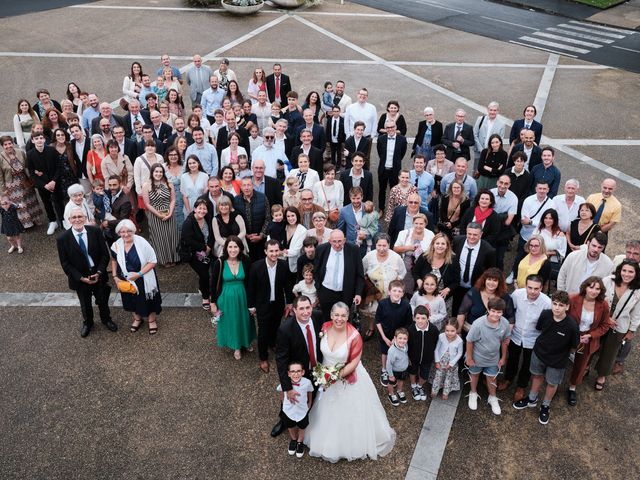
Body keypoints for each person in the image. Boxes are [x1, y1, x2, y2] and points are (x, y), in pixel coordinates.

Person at [304, 302, 396, 462]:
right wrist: (325, 376)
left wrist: (334, 376)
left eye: (343, 316)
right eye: (336, 315)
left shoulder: (354, 336)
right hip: (326, 376)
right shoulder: (324, 327)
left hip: (347, 378)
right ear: (331, 315)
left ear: (348, 317)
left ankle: (350, 443)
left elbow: (354, 363)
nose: (339, 319)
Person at [513, 290, 579, 425]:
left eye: (561, 305)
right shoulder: (545, 314)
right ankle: (532, 399)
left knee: (552, 383)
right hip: (539, 353)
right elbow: (540, 329)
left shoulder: (572, 325)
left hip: (557, 361)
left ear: (567, 306)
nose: (557, 307)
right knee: (536, 376)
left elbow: (574, 346)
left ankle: (545, 405)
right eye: (554, 304)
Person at [57, 207, 116, 338]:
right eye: (74, 217)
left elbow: (105, 255)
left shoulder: (95, 231)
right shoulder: (62, 239)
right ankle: (88, 323)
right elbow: (65, 263)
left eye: (80, 216)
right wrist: (81, 278)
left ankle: (106, 319)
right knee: (85, 304)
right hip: (80, 278)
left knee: (102, 300)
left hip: (98, 275)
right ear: (69, 220)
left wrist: (100, 272)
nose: (77, 219)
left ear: (84, 218)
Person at [272, 295, 322, 438]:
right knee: (291, 400)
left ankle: (306, 421)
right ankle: (284, 420)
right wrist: (287, 387)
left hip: (317, 368)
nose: (306, 312)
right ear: (294, 310)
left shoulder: (318, 317)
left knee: (313, 396)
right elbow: (281, 360)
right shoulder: (285, 329)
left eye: (308, 307)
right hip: (298, 372)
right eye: (301, 309)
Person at [499, 275, 551, 401]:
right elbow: (511, 311)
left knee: (527, 363)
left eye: (536, 288)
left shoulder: (547, 303)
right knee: (513, 358)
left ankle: (521, 386)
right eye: (530, 287)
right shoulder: (517, 294)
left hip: (533, 338)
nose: (532, 291)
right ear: (525, 286)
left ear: (542, 288)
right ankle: (508, 379)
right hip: (515, 334)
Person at [247, 239, 293, 373]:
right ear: (265, 251)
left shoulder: (284, 265)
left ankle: (272, 344)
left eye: (276, 251)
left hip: (278, 304)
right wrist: (251, 305)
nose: (274, 253)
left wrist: (289, 302)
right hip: (262, 305)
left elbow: (288, 286)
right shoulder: (256, 266)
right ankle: (263, 357)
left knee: (275, 326)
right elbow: (251, 288)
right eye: (271, 251)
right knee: (263, 332)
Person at [111, 219, 162, 334]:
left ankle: (151, 320)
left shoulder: (142, 242)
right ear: (118, 233)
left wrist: (138, 274)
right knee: (130, 300)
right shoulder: (116, 245)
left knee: (149, 300)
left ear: (134, 231)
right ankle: (137, 319)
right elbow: (113, 259)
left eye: (129, 231)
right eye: (122, 232)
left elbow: (153, 261)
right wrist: (115, 276)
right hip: (125, 279)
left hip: (143, 278)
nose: (126, 234)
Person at [595, 260, 640, 390]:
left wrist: (631, 331)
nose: (626, 274)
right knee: (593, 345)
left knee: (610, 352)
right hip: (600, 320)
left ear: (636, 273)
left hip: (619, 326)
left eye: (631, 271)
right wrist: (606, 318)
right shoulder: (608, 280)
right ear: (620, 270)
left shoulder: (637, 291)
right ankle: (585, 367)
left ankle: (601, 375)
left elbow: (637, 313)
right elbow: (596, 299)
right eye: (624, 270)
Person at [566, 277, 611, 405]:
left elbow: (605, 325)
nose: (594, 291)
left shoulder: (603, 305)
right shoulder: (573, 299)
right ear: (585, 287)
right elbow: (563, 317)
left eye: (598, 289)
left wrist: (591, 335)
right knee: (560, 358)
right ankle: (553, 383)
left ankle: (572, 387)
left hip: (585, 339)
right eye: (591, 287)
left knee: (580, 364)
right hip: (570, 336)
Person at [210, 236, 255, 360]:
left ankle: (246, 342)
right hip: (226, 298)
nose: (233, 250)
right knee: (232, 321)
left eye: (236, 247)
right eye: (230, 247)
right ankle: (236, 346)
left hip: (243, 296)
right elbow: (213, 284)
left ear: (240, 248)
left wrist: (253, 301)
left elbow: (251, 281)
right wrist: (213, 302)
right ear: (226, 248)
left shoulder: (246, 260)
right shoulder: (219, 262)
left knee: (245, 320)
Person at [466, 298, 511, 415]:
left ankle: (492, 397)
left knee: (492, 378)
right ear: (488, 309)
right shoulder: (478, 324)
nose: (496, 315)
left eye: (499, 312)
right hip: (477, 358)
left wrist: (503, 358)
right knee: (474, 375)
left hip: (493, 358)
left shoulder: (505, 323)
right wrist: (469, 358)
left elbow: (505, 341)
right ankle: (473, 393)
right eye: (493, 311)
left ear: (503, 312)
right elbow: (469, 341)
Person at [507, 180, 553, 285]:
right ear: (536, 189)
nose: (542, 191)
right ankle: (514, 273)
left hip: (541, 238)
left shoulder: (551, 203)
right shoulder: (528, 200)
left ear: (548, 190)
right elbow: (524, 220)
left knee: (536, 259)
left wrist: (532, 221)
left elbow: (548, 222)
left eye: (544, 189)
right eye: (540, 188)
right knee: (520, 256)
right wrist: (539, 222)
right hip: (526, 236)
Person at [314, 229, 364, 322]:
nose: (337, 245)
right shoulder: (321, 249)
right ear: (329, 241)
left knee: (343, 320)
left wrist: (358, 293)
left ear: (344, 240)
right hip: (326, 292)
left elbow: (360, 274)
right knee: (327, 319)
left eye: (340, 241)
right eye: (334, 241)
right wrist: (318, 288)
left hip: (345, 293)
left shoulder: (353, 250)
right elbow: (316, 270)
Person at [451, 222, 496, 315]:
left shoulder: (489, 250)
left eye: (475, 235)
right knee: (456, 308)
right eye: (469, 234)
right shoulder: (457, 241)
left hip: (475, 286)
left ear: (481, 234)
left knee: (472, 310)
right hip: (458, 284)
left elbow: (490, 270)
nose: (471, 237)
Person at [375, 280, 413, 387]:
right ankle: (384, 370)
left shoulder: (406, 306)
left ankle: (395, 371)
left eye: (399, 291)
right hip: (385, 334)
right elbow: (378, 320)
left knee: (397, 353)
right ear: (389, 291)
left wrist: (396, 339)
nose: (397, 293)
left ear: (403, 293)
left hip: (399, 337)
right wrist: (384, 337)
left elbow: (408, 323)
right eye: (394, 290)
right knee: (385, 352)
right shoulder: (382, 303)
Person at [142, 163, 180, 267]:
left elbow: (173, 200)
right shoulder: (146, 185)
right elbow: (147, 204)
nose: (158, 174)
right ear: (152, 173)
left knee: (172, 236)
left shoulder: (169, 184)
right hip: (155, 215)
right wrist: (158, 214)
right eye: (156, 171)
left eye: (160, 172)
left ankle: (174, 258)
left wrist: (170, 213)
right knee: (160, 237)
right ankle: (164, 260)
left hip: (169, 213)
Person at [0, 136, 42, 228]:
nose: (8, 146)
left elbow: (28, 165)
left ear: (13, 143)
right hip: (12, 184)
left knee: (31, 200)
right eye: (5, 144)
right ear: (2, 146)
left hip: (24, 180)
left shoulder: (20, 152)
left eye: (9, 143)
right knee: (20, 204)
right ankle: (25, 224)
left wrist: (34, 173)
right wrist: (3, 190)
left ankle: (35, 219)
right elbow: (0, 176)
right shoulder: (1, 157)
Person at [457, 267, 514, 333]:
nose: (491, 283)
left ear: (499, 283)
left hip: (494, 334)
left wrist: (505, 337)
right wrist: (458, 332)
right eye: (489, 279)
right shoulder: (473, 292)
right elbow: (461, 313)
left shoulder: (505, 297)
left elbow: (511, 318)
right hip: (472, 331)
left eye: (495, 280)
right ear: (484, 280)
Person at [27, 132, 62, 234]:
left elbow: (58, 167)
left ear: (44, 140)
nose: (39, 140)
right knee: (47, 203)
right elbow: (32, 173)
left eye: (41, 138)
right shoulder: (30, 155)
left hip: (55, 182)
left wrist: (54, 181)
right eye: (36, 138)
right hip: (43, 185)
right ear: (33, 141)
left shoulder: (52, 150)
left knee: (59, 201)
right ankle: (52, 221)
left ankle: (63, 220)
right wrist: (44, 185)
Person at [181, 199, 213, 310]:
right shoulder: (189, 222)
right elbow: (188, 240)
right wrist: (204, 247)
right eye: (200, 208)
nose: (202, 210)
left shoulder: (208, 219)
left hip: (207, 252)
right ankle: (205, 297)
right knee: (204, 274)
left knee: (204, 272)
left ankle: (202, 287)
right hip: (193, 253)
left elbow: (212, 234)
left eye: (204, 208)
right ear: (195, 209)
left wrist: (209, 246)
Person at [277, 361, 314, 459]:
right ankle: (293, 439)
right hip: (288, 410)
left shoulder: (307, 382)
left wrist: (310, 402)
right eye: (293, 371)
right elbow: (281, 391)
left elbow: (310, 391)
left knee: (302, 426)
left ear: (302, 372)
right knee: (290, 425)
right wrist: (283, 401)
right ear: (288, 373)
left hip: (302, 410)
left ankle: (300, 441)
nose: (296, 374)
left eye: (298, 371)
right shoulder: (285, 383)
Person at [394, 213, 433, 293]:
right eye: (416, 223)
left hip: (424, 268)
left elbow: (434, 250)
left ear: (425, 224)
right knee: (406, 290)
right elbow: (395, 249)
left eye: (421, 224)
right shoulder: (404, 233)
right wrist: (409, 248)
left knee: (421, 290)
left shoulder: (430, 235)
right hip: (407, 268)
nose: (418, 226)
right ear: (413, 223)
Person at [412, 232, 460, 299]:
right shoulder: (424, 257)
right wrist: (419, 280)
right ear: (433, 245)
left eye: (443, 244)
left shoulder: (453, 260)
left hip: (442, 298)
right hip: (423, 296)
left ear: (447, 246)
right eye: (437, 243)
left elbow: (457, 281)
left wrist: (448, 289)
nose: (440, 246)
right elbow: (415, 272)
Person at [233, 177, 270, 262]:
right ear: (241, 187)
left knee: (261, 262)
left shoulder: (263, 198)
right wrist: (245, 234)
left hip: (261, 240)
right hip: (244, 240)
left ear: (252, 186)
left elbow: (268, 218)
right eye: (244, 185)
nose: (246, 188)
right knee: (247, 263)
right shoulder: (236, 200)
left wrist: (261, 235)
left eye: (249, 185)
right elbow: (235, 221)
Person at [377, 121, 408, 212]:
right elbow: (380, 153)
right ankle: (381, 209)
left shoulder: (402, 139)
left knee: (394, 190)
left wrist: (396, 162)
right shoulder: (381, 139)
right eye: (388, 127)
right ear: (385, 129)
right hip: (383, 169)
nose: (390, 129)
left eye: (392, 127)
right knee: (382, 190)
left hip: (395, 169)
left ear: (395, 127)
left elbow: (402, 154)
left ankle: (393, 209)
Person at [430, 319, 463, 400]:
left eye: (452, 331)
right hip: (441, 362)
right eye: (447, 330)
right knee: (438, 376)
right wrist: (437, 361)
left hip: (451, 363)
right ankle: (434, 391)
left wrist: (451, 364)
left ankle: (446, 392)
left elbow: (459, 353)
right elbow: (436, 349)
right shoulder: (441, 336)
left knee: (449, 377)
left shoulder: (459, 341)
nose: (449, 333)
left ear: (457, 330)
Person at [385, 328, 410, 406]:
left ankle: (399, 391)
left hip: (403, 369)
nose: (402, 341)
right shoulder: (392, 351)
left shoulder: (405, 345)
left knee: (401, 380)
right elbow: (388, 364)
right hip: (394, 371)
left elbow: (405, 354)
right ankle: (391, 394)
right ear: (395, 338)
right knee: (391, 383)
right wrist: (391, 375)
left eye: (404, 339)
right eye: (400, 338)